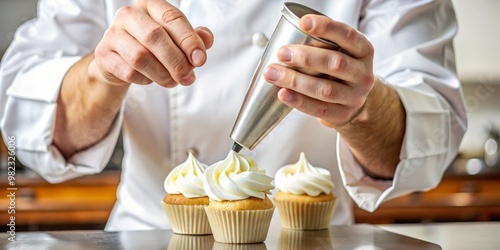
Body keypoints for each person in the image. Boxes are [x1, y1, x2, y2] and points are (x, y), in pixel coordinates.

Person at [0, 0, 466, 231]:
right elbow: (23, 120)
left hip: (314, 239)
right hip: (149, 236)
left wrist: (365, 107)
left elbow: (431, 137)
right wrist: (104, 72)